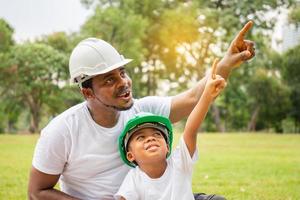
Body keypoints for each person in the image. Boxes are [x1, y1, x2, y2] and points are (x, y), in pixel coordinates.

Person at [28, 21, 255, 200]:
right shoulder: (62, 130)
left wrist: (226, 62)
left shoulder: (143, 111)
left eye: (123, 73)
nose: (123, 82)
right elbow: (36, 192)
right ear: (88, 93)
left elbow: (194, 98)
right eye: (109, 80)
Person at [115, 59, 226, 200]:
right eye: (140, 137)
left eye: (157, 134)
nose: (151, 138)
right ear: (131, 155)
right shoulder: (134, 179)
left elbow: (191, 129)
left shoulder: (179, 162)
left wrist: (207, 95)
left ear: (167, 147)